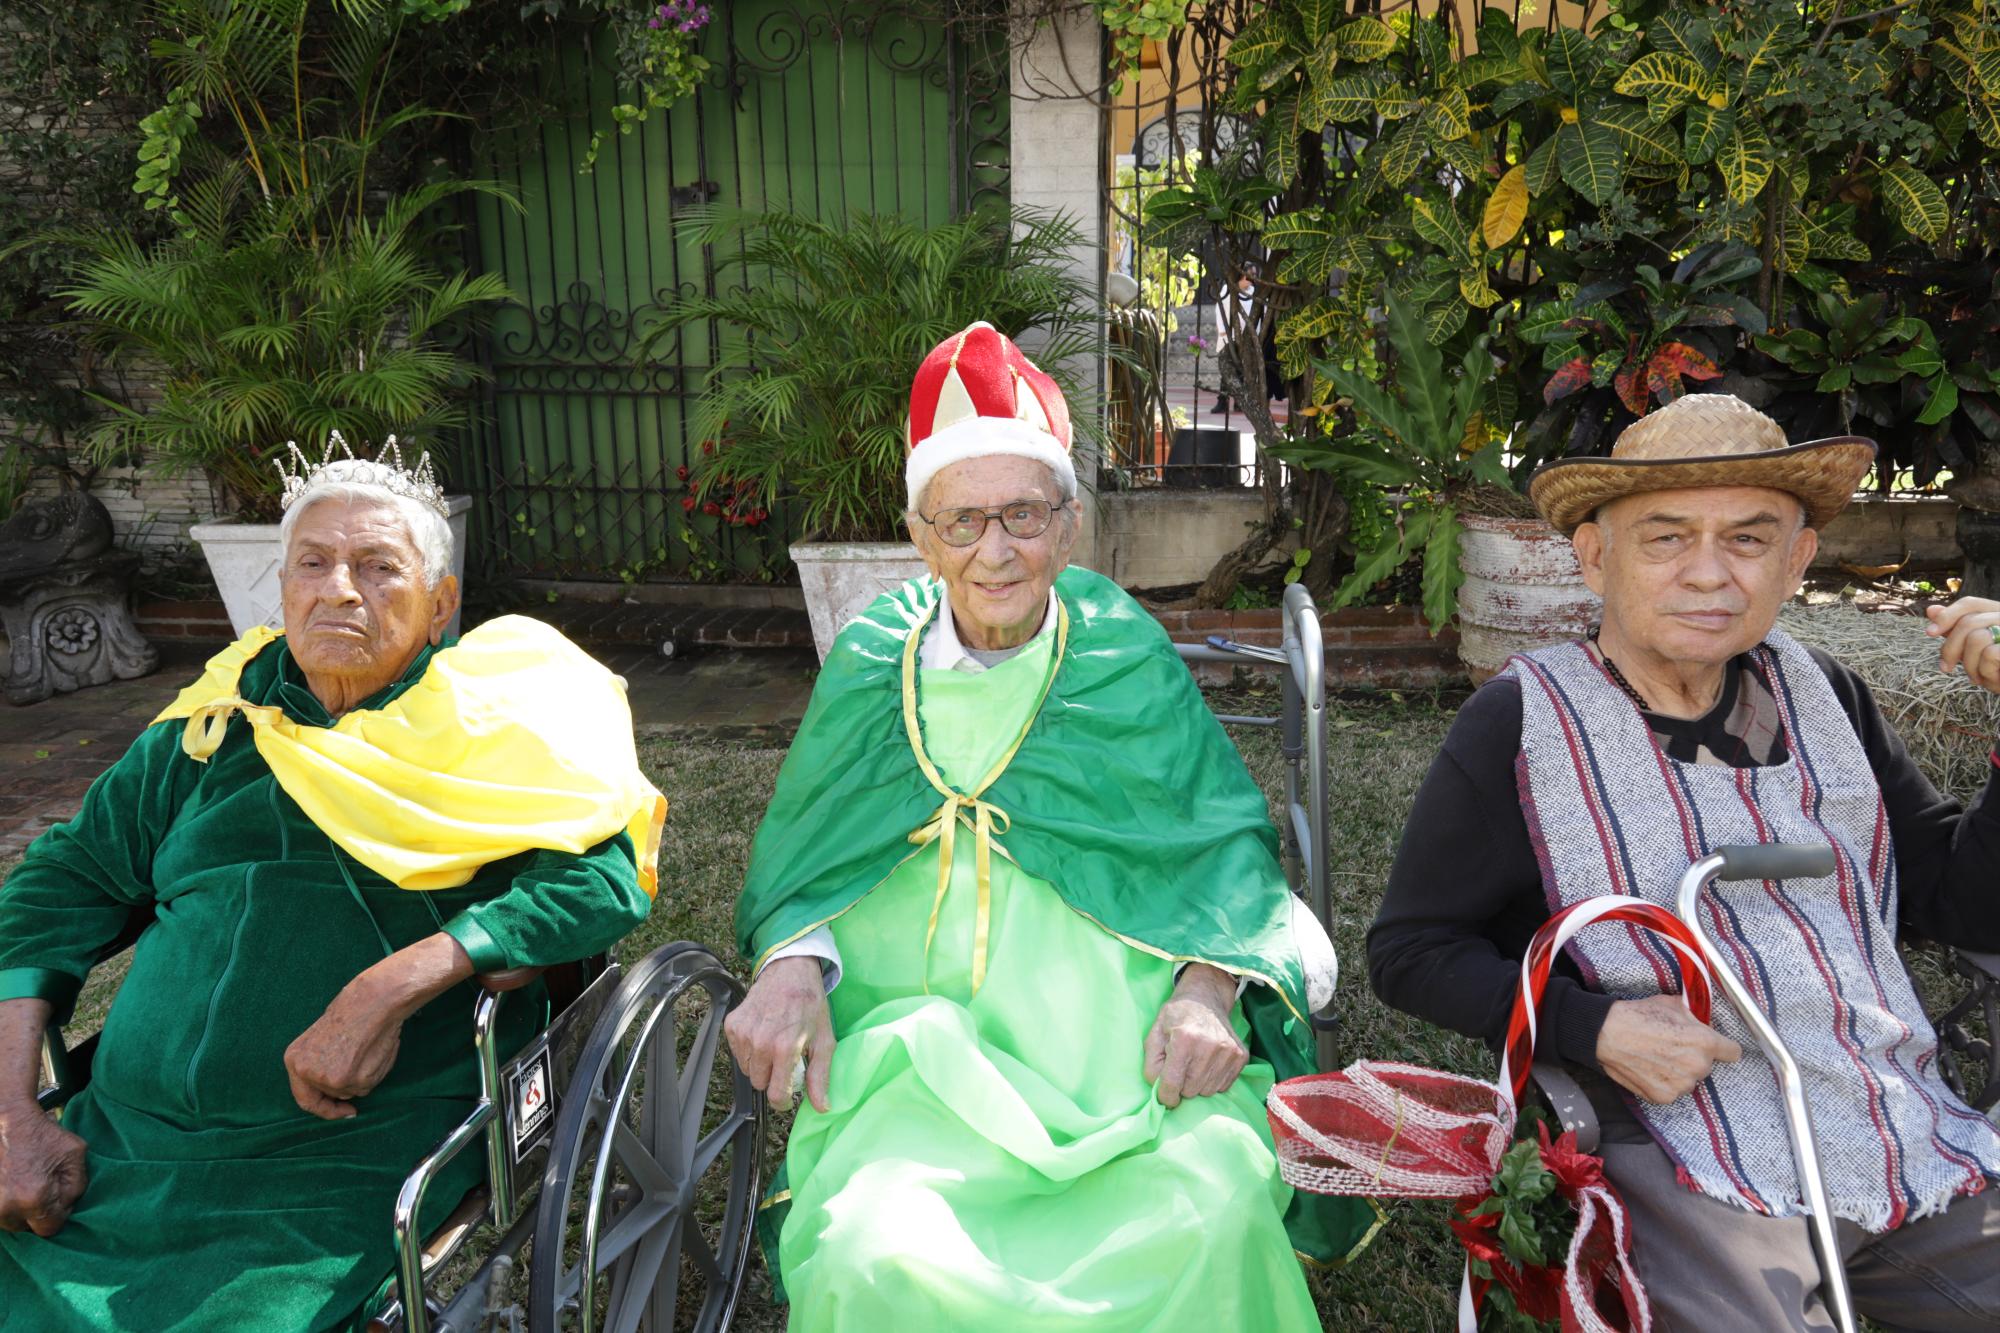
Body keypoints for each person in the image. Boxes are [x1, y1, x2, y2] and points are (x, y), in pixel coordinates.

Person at [723, 322, 1372, 1330]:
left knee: (1210, 1213)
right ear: (917, 533)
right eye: (962, 520)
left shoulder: (1122, 650)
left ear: (1068, 527)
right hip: (911, 1074)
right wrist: (793, 962)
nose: (994, 551)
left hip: (1122, 1067)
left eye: (1023, 514)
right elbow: (807, 854)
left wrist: (1205, 990)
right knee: (872, 1247)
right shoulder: (868, 660)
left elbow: (1220, 857)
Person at [0, 440, 665, 1331]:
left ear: (441, 605)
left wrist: (388, 986)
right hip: (125, 1138)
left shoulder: (494, 723)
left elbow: (597, 884)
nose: (339, 588)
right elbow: (60, 885)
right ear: (281, 590)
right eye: (312, 563)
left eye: (378, 566)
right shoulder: (215, 722)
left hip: (338, 1159)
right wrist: (11, 1113)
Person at [1369, 393, 2000, 1331]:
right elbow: (1411, 949)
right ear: (1595, 557)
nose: (1709, 574)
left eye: (1749, 540)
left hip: (1890, 1114)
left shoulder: (1828, 695)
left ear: (1797, 560)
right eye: (1666, 538)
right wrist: (1595, 1026)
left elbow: (1962, 902)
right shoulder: (1522, 722)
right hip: (1685, 1140)